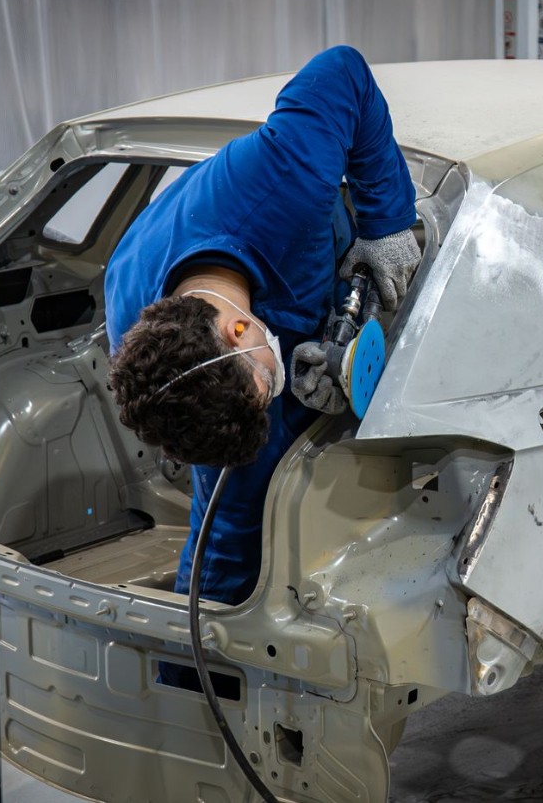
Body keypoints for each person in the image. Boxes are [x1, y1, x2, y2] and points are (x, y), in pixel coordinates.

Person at [104, 46, 420, 648]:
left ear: (238, 331)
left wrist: (386, 223)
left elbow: (342, 71)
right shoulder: (139, 330)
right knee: (229, 531)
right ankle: (198, 670)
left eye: (263, 387)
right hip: (248, 325)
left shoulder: (283, 180)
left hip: (286, 241)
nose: (272, 391)